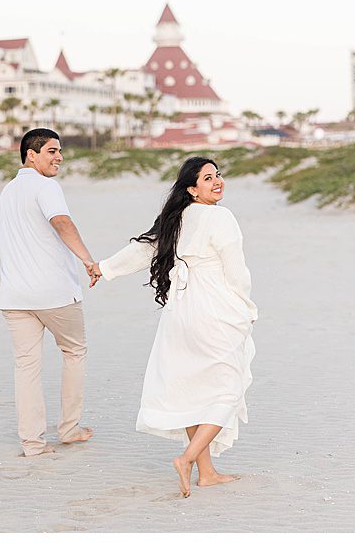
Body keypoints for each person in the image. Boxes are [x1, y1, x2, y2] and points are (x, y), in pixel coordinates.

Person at [90, 157, 257, 497]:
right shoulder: (221, 217)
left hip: (182, 309)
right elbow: (236, 272)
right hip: (214, 307)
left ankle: (207, 473)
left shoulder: (176, 219)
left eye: (218, 175)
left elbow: (142, 251)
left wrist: (103, 268)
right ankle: (188, 458)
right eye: (207, 178)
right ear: (192, 189)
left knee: (193, 388)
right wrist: (246, 306)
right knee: (228, 388)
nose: (217, 181)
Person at [0, 128, 96, 457]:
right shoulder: (45, 186)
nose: (59, 157)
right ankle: (69, 429)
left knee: (26, 366)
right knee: (74, 352)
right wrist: (87, 259)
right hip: (53, 292)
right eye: (52, 151)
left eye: (60, 151)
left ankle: (33, 443)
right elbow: (62, 223)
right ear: (31, 155)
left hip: (14, 296)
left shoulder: (7, 192)